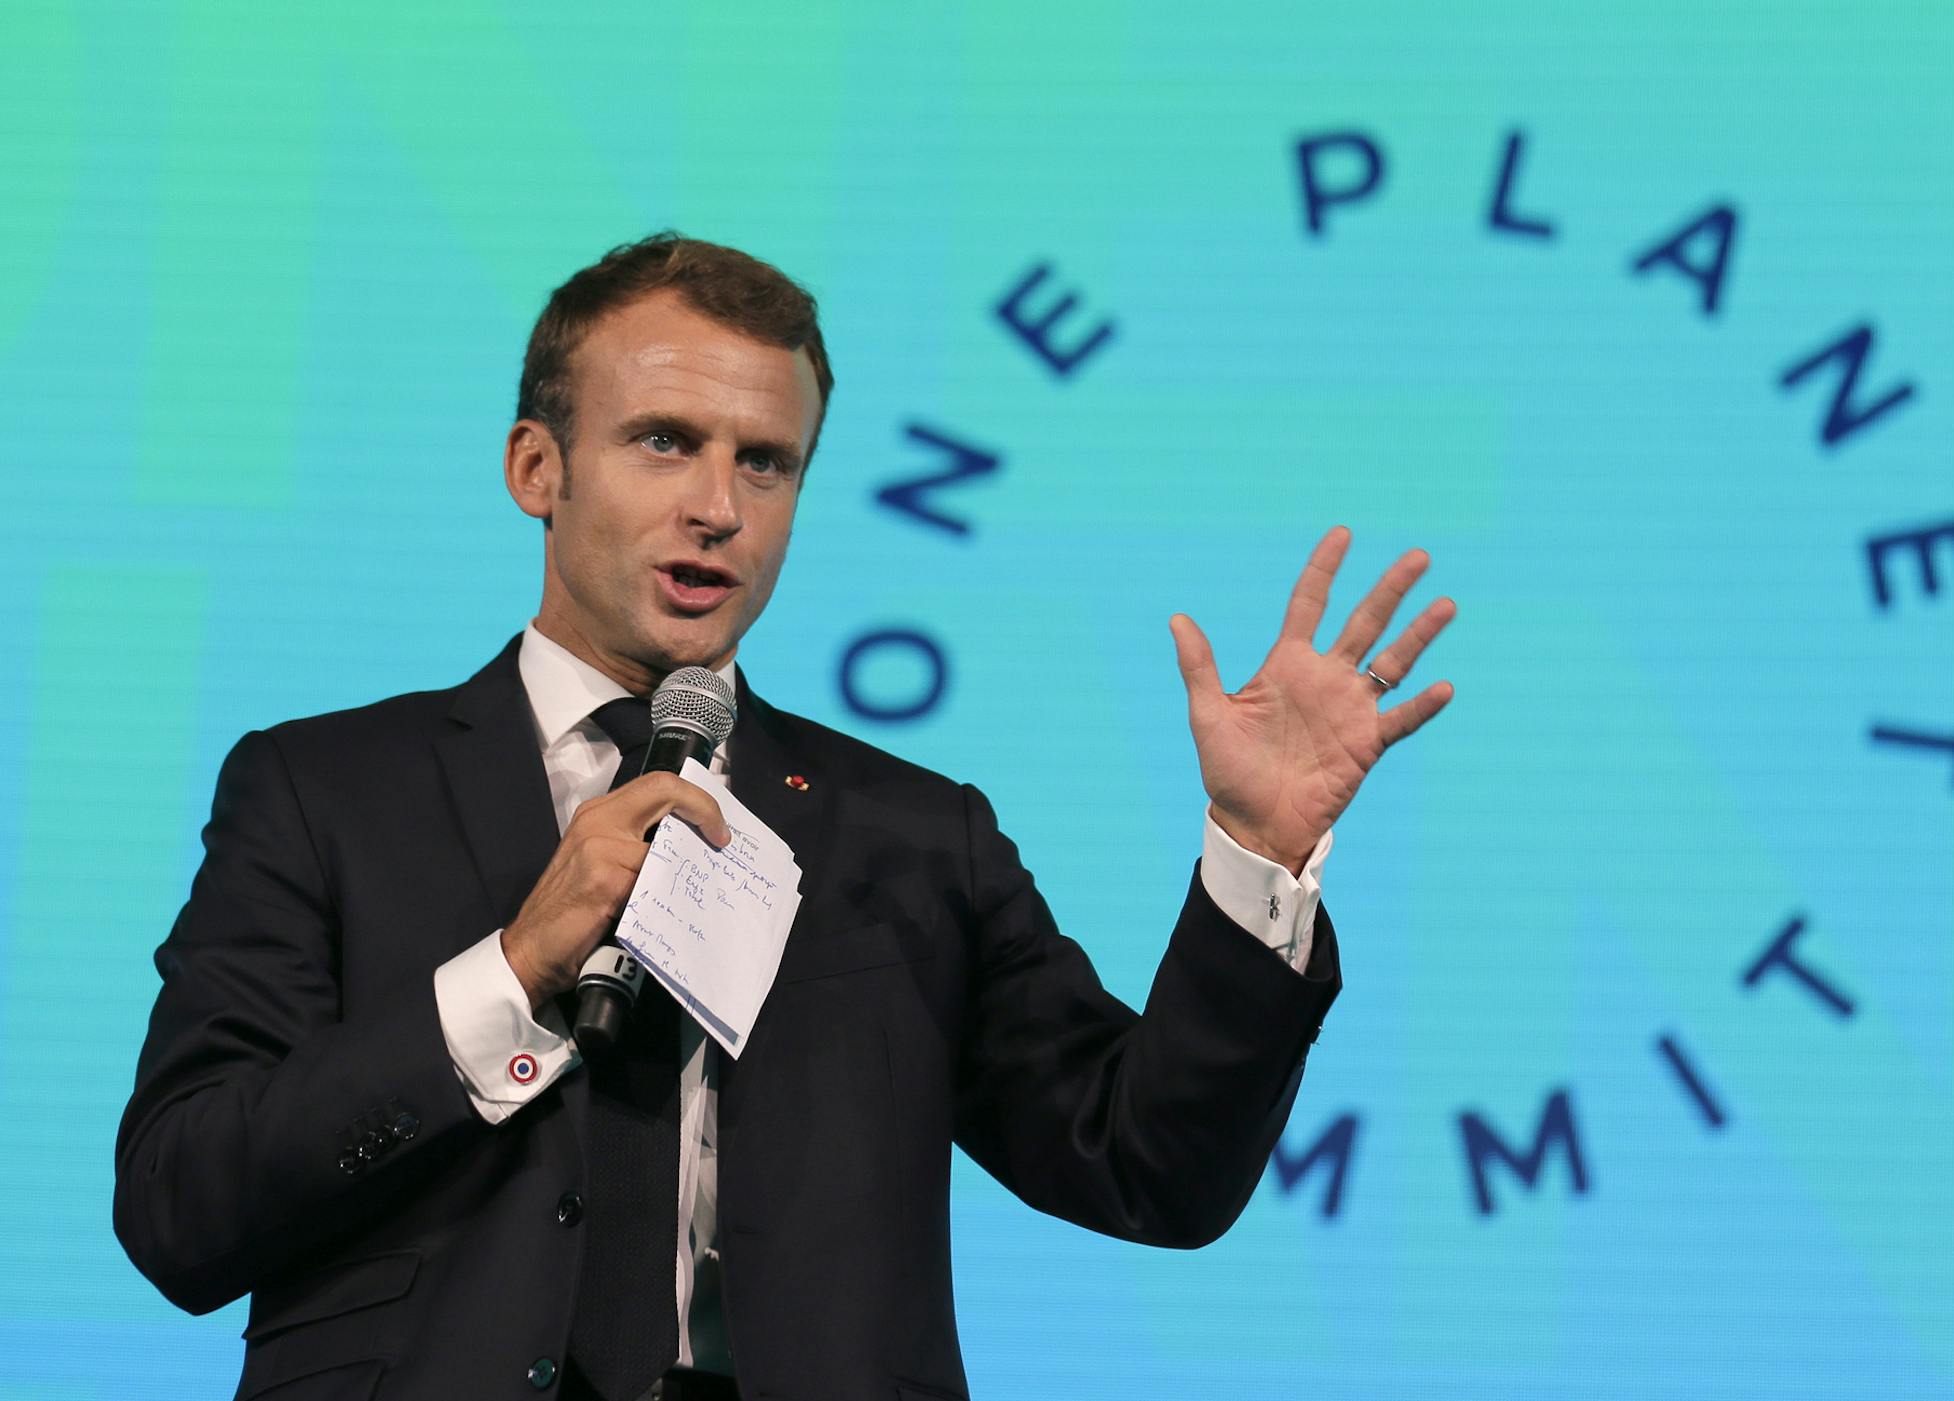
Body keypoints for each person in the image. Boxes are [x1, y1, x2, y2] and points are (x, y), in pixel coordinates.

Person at [113, 234, 1457, 1401]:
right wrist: (515, 970)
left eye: (768, 463)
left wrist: (1258, 855)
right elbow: (182, 1203)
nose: (718, 506)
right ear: (537, 464)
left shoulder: (915, 835)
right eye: (664, 442)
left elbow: (1151, 1165)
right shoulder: (326, 790)